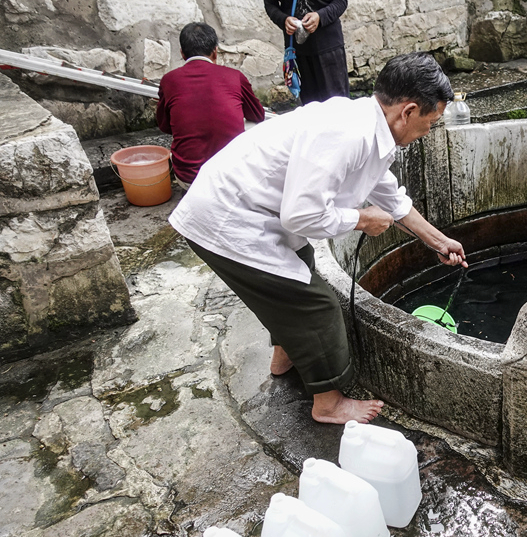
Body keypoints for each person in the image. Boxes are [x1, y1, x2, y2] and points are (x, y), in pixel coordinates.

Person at [168, 52, 465, 425]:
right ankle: (328, 403)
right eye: (429, 122)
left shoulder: (372, 128)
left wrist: (439, 242)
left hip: (249, 211)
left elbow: (392, 199)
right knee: (316, 308)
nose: (427, 131)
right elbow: (301, 215)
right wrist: (360, 219)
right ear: (407, 111)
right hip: (227, 218)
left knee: (300, 268)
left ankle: (286, 354)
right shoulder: (346, 132)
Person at [156, 23, 266, 191]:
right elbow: (258, 116)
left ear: (182, 53)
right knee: (253, 126)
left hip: (189, 179)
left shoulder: (169, 80)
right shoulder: (235, 76)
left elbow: (164, 126)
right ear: (215, 51)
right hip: (232, 177)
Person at [262, 0, 349, 104]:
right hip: (299, 50)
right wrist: (283, 20)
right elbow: (270, 5)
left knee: (337, 106)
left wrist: (320, 17)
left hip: (329, 49)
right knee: (310, 109)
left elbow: (341, 0)